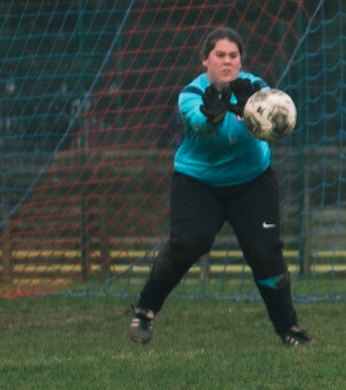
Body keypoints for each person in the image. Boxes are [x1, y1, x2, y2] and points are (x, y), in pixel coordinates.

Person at [129, 27, 312, 347]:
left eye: (233, 56)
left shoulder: (257, 89)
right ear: (205, 60)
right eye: (219, 55)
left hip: (252, 182)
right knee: (189, 241)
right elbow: (198, 122)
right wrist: (212, 117)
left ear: (241, 60)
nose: (227, 62)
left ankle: (289, 330)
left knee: (264, 251)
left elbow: (272, 127)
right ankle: (145, 310)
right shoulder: (190, 94)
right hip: (198, 182)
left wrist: (248, 110)